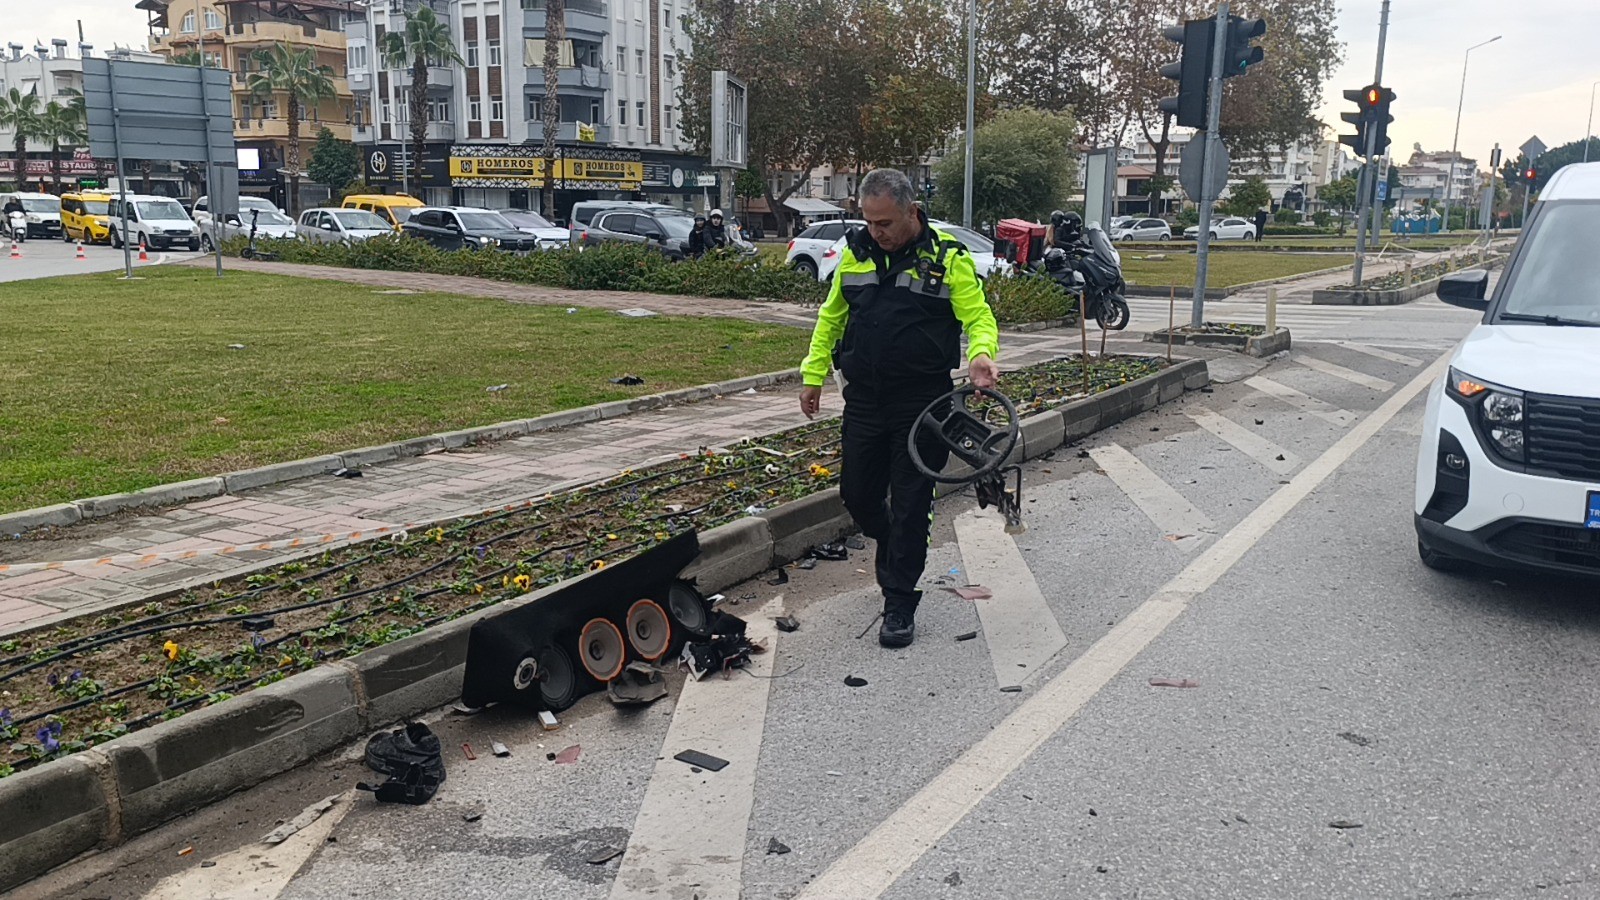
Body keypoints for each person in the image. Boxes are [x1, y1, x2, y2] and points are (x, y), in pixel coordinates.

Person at [798, 168, 999, 649]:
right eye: (868, 221)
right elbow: (831, 317)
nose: (876, 232)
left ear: (912, 212)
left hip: (923, 403)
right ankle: (892, 546)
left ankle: (899, 602)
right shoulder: (856, 254)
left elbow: (978, 315)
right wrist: (812, 374)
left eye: (884, 222)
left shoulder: (948, 258)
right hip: (864, 400)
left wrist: (981, 355)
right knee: (858, 496)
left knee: (912, 505)